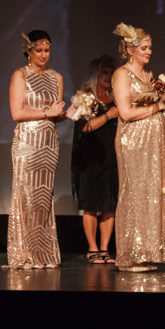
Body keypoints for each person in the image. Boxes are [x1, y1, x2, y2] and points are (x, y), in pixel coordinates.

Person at [111, 22, 165, 272]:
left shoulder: (150, 76)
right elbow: (125, 113)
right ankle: (131, 253)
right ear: (130, 50)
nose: (149, 52)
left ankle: (147, 250)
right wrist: (157, 108)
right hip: (132, 141)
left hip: (152, 142)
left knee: (151, 193)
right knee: (134, 192)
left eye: (150, 48)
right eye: (144, 48)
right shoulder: (121, 74)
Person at [6, 29, 65, 270]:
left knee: (43, 197)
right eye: (38, 50)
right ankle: (25, 253)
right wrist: (46, 113)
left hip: (49, 143)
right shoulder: (20, 76)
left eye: (47, 50)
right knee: (26, 196)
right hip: (27, 142)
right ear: (28, 51)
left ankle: (44, 253)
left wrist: (68, 114)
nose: (43, 55)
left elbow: (55, 115)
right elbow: (17, 113)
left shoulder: (57, 77)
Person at [70, 55, 120, 264]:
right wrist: (110, 115)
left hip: (112, 156)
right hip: (90, 157)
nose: (108, 76)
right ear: (95, 74)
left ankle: (104, 249)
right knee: (90, 204)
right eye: (104, 72)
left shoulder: (116, 97)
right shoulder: (85, 97)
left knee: (109, 204)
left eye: (111, 72)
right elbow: (85, 128)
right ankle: (92, 249)